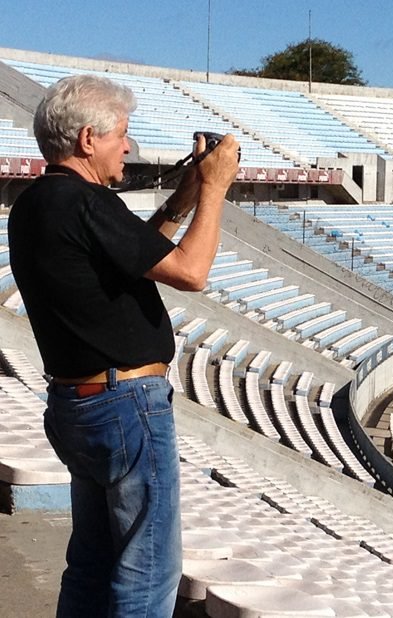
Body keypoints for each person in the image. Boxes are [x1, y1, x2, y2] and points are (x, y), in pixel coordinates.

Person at [8, 74, 239, 617]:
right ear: (89, 139)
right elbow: (191, 271)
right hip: (124, 405)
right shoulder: (86, 201)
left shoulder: (38, 203)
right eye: (122, 135)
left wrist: (182, 199)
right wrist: (215, 189)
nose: (129, 147)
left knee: (92, 562)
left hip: (76, 404)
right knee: (148, 571)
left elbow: (136, 255)